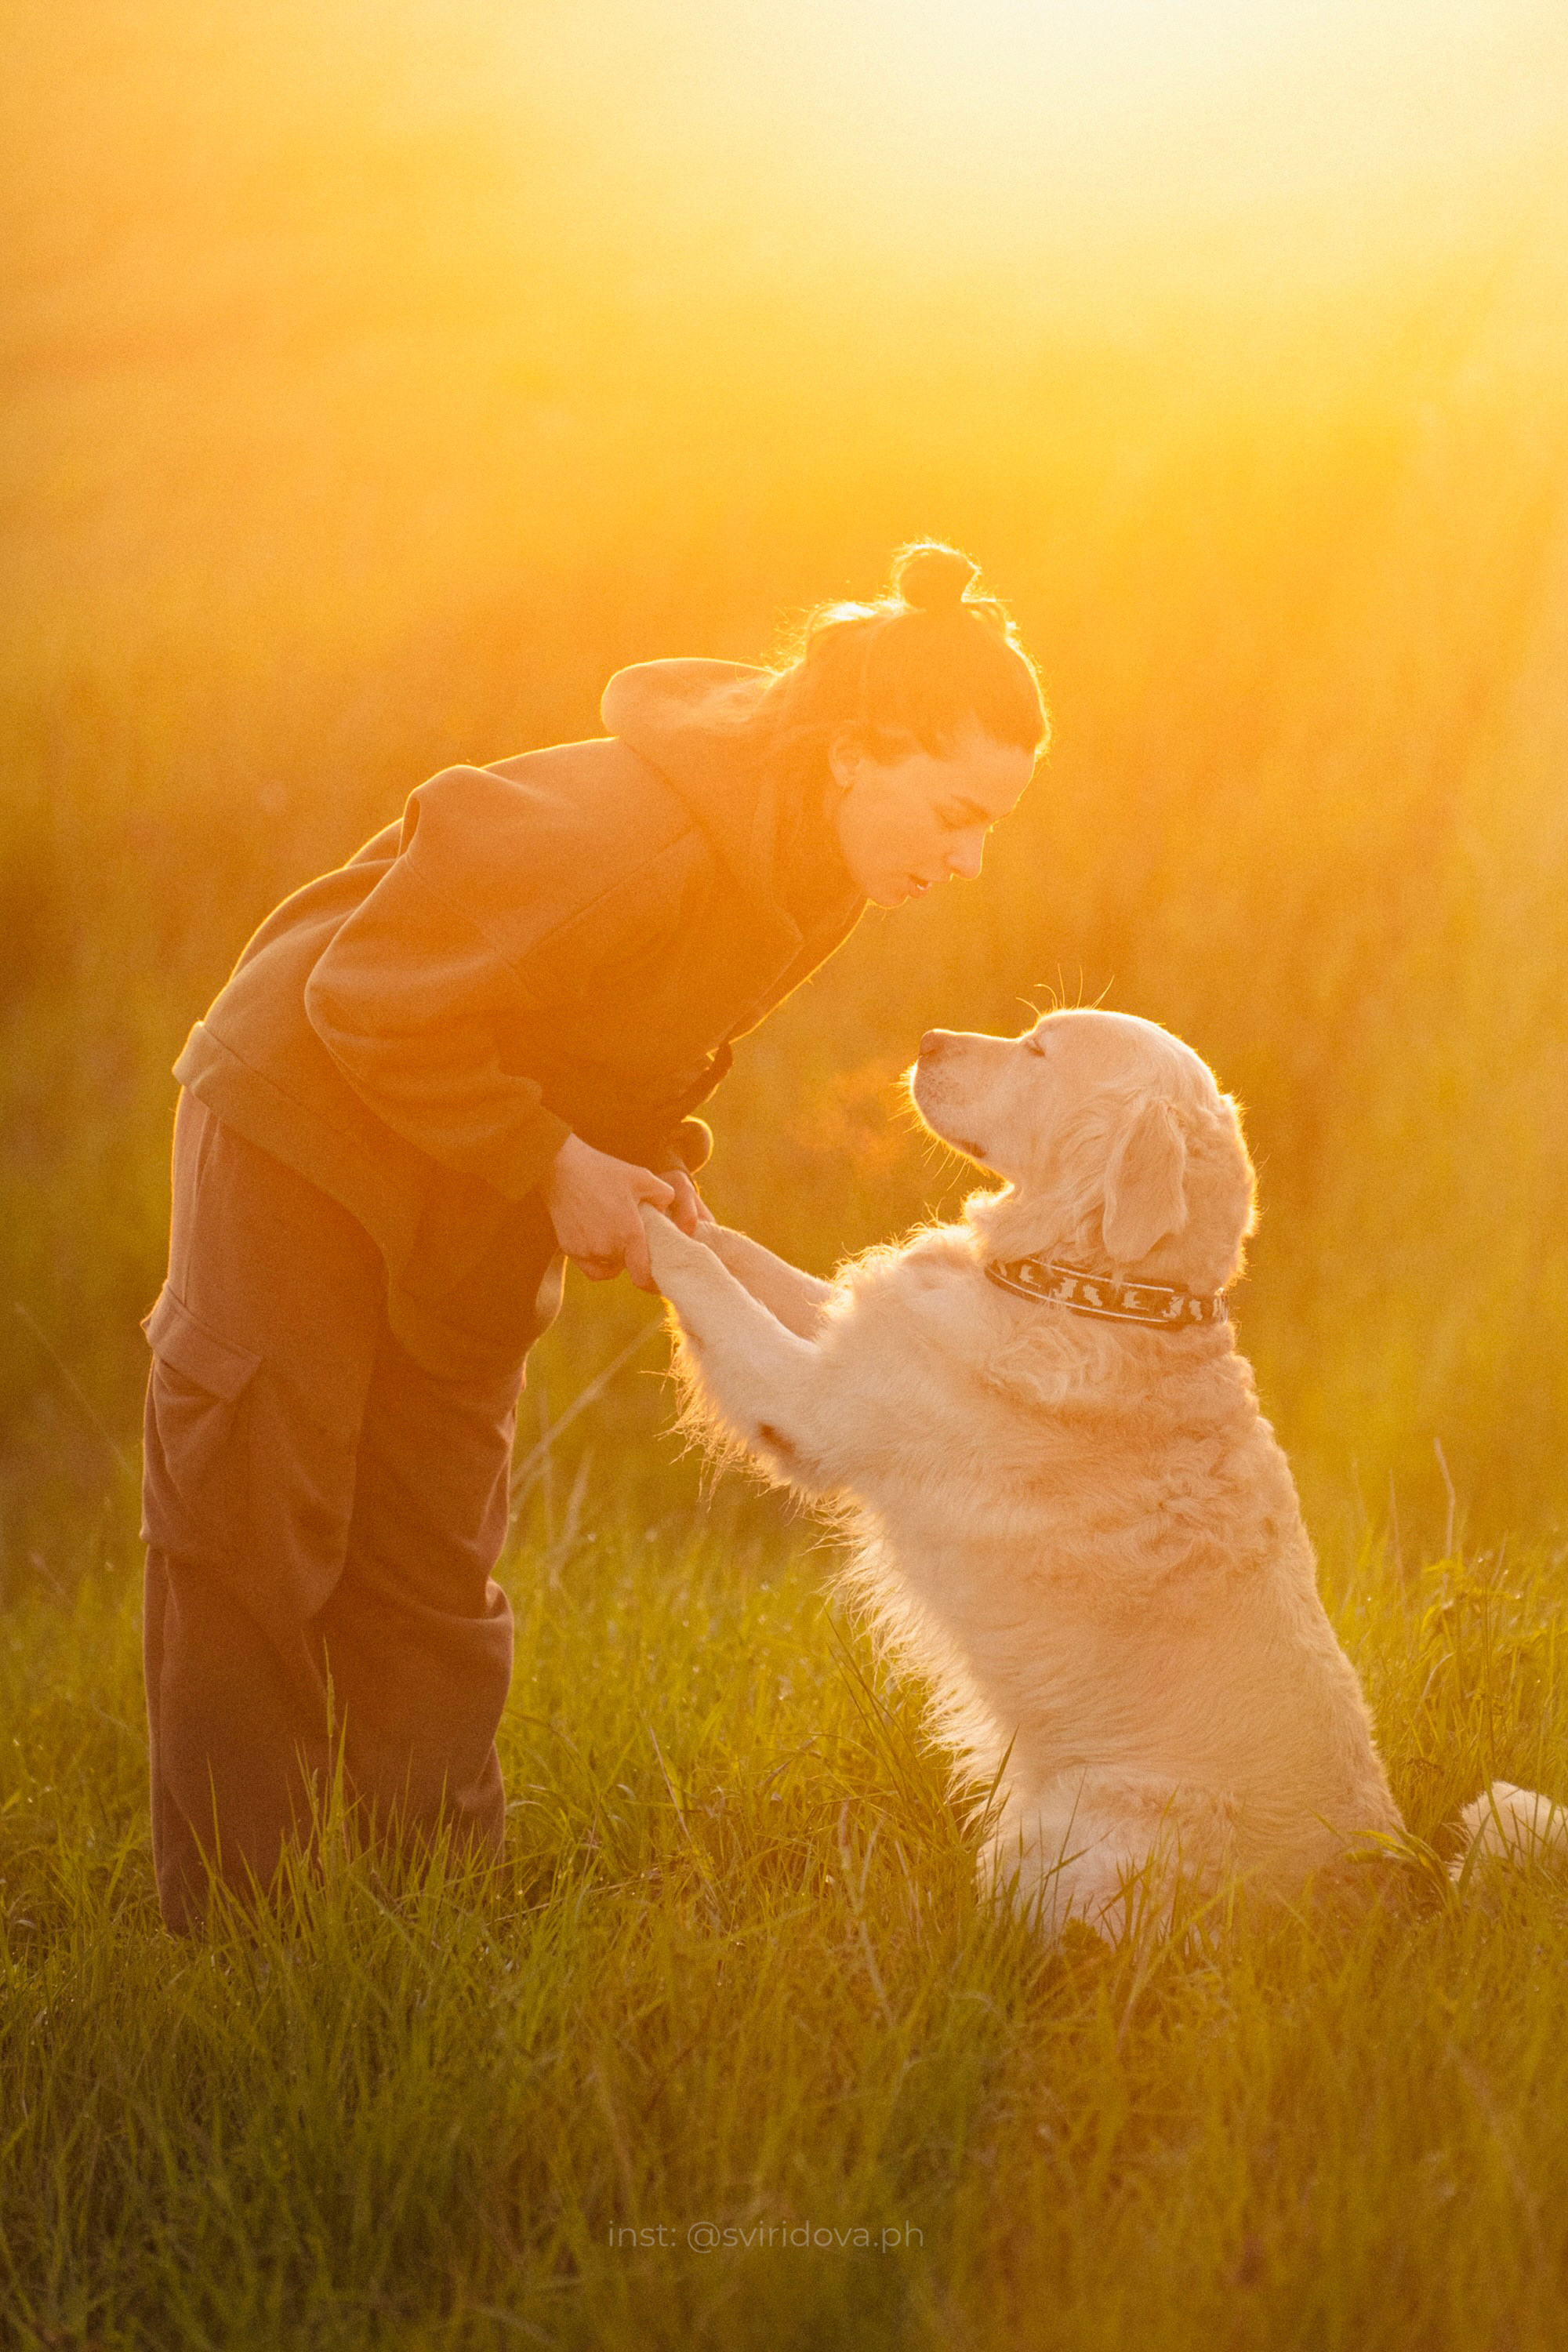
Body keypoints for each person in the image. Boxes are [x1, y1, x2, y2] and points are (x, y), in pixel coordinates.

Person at [138, 540, 1050, 1930]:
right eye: (956, 809)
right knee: (257, 1531)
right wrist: (550, 1158)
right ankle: (239, 1948)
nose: (969, 858)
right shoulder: (630, 825)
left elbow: (623, 1029)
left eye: (994, 825)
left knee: (433, 1546)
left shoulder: (827, 867)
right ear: (863, 748)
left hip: (479, 1153)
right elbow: (367, 991)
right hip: (308, 1126)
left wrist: (634, 1164)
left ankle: (435, 1916)